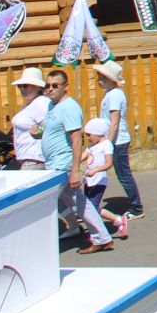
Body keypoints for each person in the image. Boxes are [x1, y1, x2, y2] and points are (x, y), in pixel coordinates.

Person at [44, 68, 113, 252]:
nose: (50, 89)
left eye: (55, 86)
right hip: (53, 163)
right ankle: (102, 238)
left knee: (46, 202)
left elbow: (76, 139)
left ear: (65, 87)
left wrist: (75, 170)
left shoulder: (69, 107)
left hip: (62, 165)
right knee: (80, 202)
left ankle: (40, 247)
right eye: (47, 85)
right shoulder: (52, 106)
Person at [91, 60, 145, 219]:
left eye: (101, 76)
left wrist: (107, 141)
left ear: (109, 78)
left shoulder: (114, 95)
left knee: (123, 174)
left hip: (117, 141)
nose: (98, 79)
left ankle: (136, 208)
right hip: (114, 140)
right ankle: (92, 203)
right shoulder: (111, 93)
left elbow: (114, 121)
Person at [82, 117, 132, 239]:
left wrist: (95, 170)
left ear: (98, 133)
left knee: (92, 208)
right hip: (88, 181)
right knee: (87, 207)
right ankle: (95, 230)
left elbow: (108, 163)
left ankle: (118, 219)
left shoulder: (106, 145)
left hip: (99, 181)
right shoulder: (91, 146)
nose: (87, 138)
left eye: (89, 135)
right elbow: (82, 156)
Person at [10, 66, 51, 170]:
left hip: (34, 159)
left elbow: (49, 126)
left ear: (37, 87)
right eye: (20, 86)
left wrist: (36, 132)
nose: (22, 89)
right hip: (27, 158)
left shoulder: (41, 102)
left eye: (26, 86)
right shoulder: (30, 104)